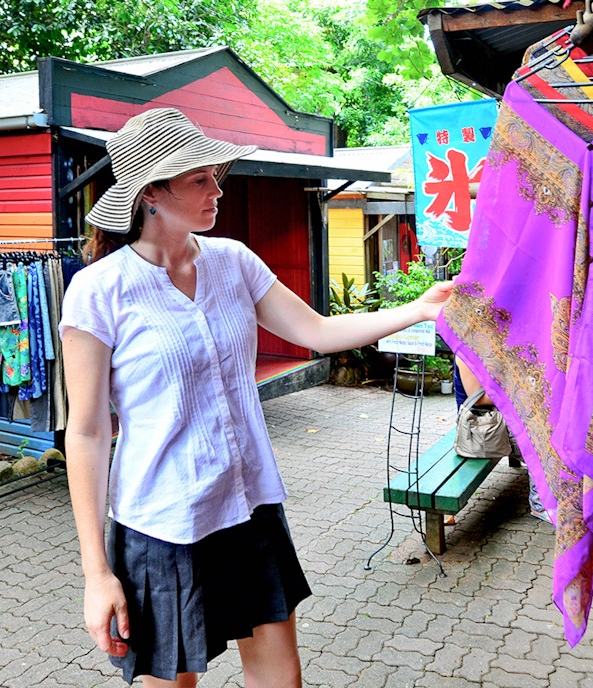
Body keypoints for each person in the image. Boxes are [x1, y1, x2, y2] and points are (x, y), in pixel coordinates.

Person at [58, 108, 453, 688]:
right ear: (150, 194)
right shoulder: (99, 290)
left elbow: (316, 331)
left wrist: (417, 310)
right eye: (200, 179)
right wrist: (97, 574)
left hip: (247, 505)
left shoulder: (234, 262)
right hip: (162, 524)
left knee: (280, 679)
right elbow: (88, 432)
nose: (218, 190)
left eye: (216, 176)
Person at [452, 356, 549, 524]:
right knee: (540, 441)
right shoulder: (464, 353)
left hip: (497, 421)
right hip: (480, 430)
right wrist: (522, 389)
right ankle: (540, 504)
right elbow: (479, 399)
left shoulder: (487, 345)